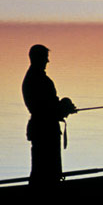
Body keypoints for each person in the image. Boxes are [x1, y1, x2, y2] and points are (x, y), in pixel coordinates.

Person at [22, 45, 76, 186]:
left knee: (45, 170)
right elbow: (45, 108)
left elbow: (48, 106)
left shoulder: (35, 78)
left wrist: (63, 108)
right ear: (38, 58)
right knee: (45, 170)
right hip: (44, 130)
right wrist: (64, 108)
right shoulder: (37, 79)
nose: (48, 61)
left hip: (43, 128)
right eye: (45, 58)